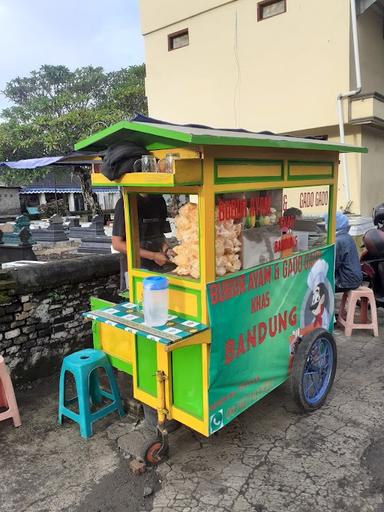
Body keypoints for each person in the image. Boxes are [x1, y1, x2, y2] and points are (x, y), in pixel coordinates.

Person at [112, 194, 171, 290]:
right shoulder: (124, 203)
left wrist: (167, 249)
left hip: (158, 266)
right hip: (135, 266)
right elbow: (117, 244)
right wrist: (153, 256)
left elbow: (159, 234)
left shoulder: (159, 200)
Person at [334, 211, 363, 292]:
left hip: (347, 282)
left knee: (320, 286)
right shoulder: (347, 236)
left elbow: (334, 265)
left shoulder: (339, 240)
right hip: (355, 279)